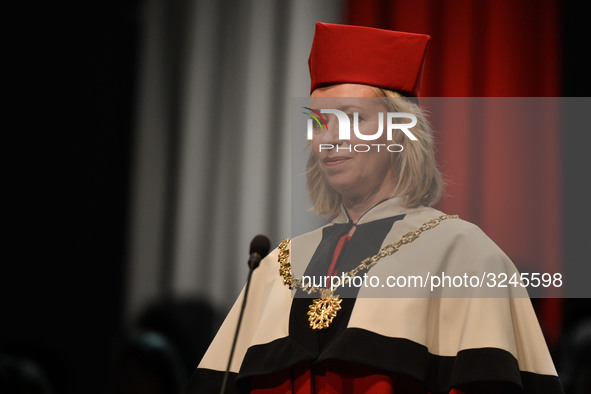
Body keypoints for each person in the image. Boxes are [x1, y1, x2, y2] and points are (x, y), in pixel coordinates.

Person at [185, 22, 563, 393]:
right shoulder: (276, 267)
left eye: (352, 118)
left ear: (400, 129)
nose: (328, 140)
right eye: (317, 122)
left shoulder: (464, 255)